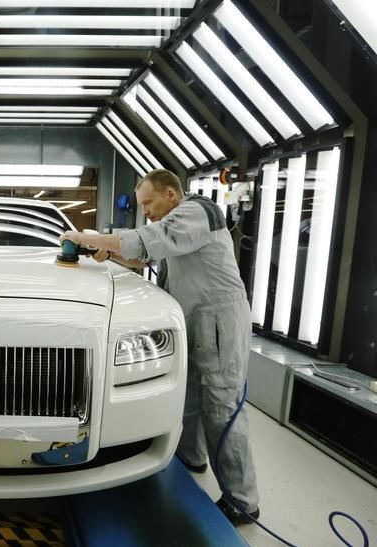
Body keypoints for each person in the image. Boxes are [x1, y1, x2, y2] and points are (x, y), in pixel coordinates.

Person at [61, 168, 259, 525]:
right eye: (142, 205)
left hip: (218, 320)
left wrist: (87, 236)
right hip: (193, 318)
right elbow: (146, 258)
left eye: (149, 203)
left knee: (221, 404)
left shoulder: (197, 212)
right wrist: (109, 255)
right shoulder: (176, 227)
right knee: (191, 398)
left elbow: (150, 239)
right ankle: (191, 458)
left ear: (171, 194)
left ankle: (242, 501)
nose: (146, 211)